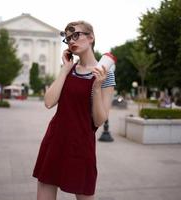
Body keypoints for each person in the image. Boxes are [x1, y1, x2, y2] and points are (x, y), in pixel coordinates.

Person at [32, 21, 116, 200]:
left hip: (81, 145)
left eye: (76, 35)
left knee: (84, 192)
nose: (71, 41)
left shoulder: (106, 74)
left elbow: (99, 120)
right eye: (68, 38)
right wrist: (65, 69)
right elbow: (48, 102)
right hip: (55, 140)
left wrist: (97, 86)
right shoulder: (69, 70)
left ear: (91, 37)